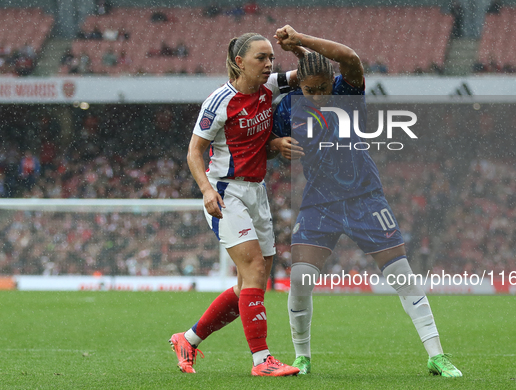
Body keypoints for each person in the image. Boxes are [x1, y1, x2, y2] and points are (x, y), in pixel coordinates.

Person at [269, 25, 463, 377]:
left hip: (364, 197)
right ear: (300, 87)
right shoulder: (286, 109)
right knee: (299, 279)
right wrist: (274, 145)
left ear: (333, 84)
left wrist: (300, 40)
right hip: (319, 202)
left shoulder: (348, 93)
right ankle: (302, 357)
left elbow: (350, 58)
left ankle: (436, 355)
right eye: (310, 90)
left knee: (401, 276)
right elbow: (267, 143)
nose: (317, 96)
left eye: (323, 89)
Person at [169, 32, 301, 377]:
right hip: (226, 192)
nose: (269, 64)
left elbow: (311, 71)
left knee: (251, 283)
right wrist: (206, 190)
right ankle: (262, 361)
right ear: (239, 62)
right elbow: (194, 151)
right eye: (261, 58)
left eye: (272, 58)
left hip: (256, 192)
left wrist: (298, 45)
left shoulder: (269, 88)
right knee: (255, 269)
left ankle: (187, 339)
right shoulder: (219, 102)